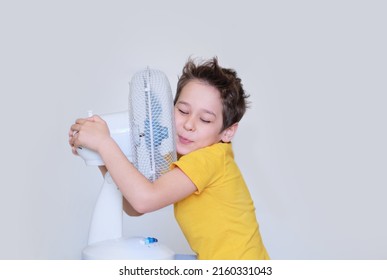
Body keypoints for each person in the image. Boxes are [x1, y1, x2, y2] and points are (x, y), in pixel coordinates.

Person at [69, 57, 269, 260]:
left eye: (205, 119)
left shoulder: (209, 159)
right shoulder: (178, 158)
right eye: (183, 111)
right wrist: (99, 155)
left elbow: (144, 200)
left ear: (227, 132)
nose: (189, 124)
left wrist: (104, 143)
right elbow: (133, 204)